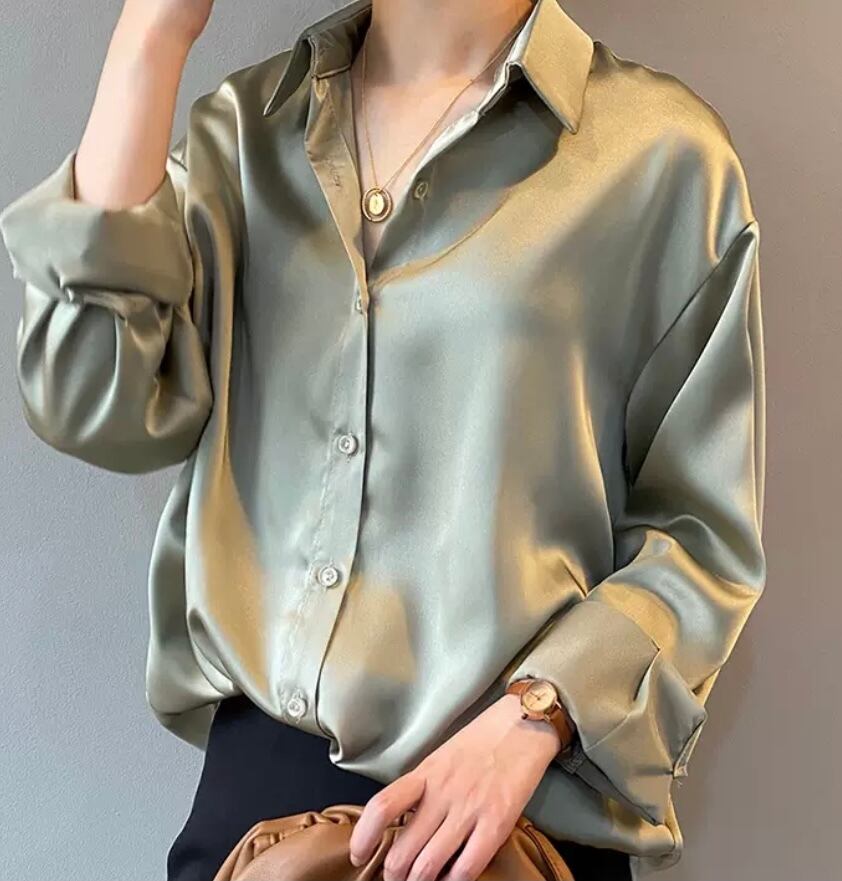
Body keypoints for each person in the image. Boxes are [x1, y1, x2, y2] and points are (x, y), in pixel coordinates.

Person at [0, 0, 767, 880]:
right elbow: (90, 397)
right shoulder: (244, 134)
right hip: (255, 822)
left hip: (506, 818)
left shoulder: (659, 156)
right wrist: (153, 34)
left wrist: (540, 712)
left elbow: (701, 538)